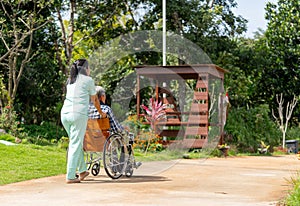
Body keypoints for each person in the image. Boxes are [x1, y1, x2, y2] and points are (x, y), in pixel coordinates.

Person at [61, 59, 106, 184]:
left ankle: (82, 170)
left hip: (65, 114)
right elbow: (95, 100)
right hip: (78, 114)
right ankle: (70, 176)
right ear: (86, 68)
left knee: (75, 142)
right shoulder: (88, 80)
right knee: (75, 144)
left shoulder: (70, 80)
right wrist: (101, 113)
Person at [88, 86, 141, 168]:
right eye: (104, 96)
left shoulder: (85, 110)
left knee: (112, 138)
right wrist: (124, 129)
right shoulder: (105, 109)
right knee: (128, 136)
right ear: (102, 97)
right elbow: (116, 128)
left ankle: (117, 164)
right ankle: (123, 164)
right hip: (105, 140)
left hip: (90, 140)